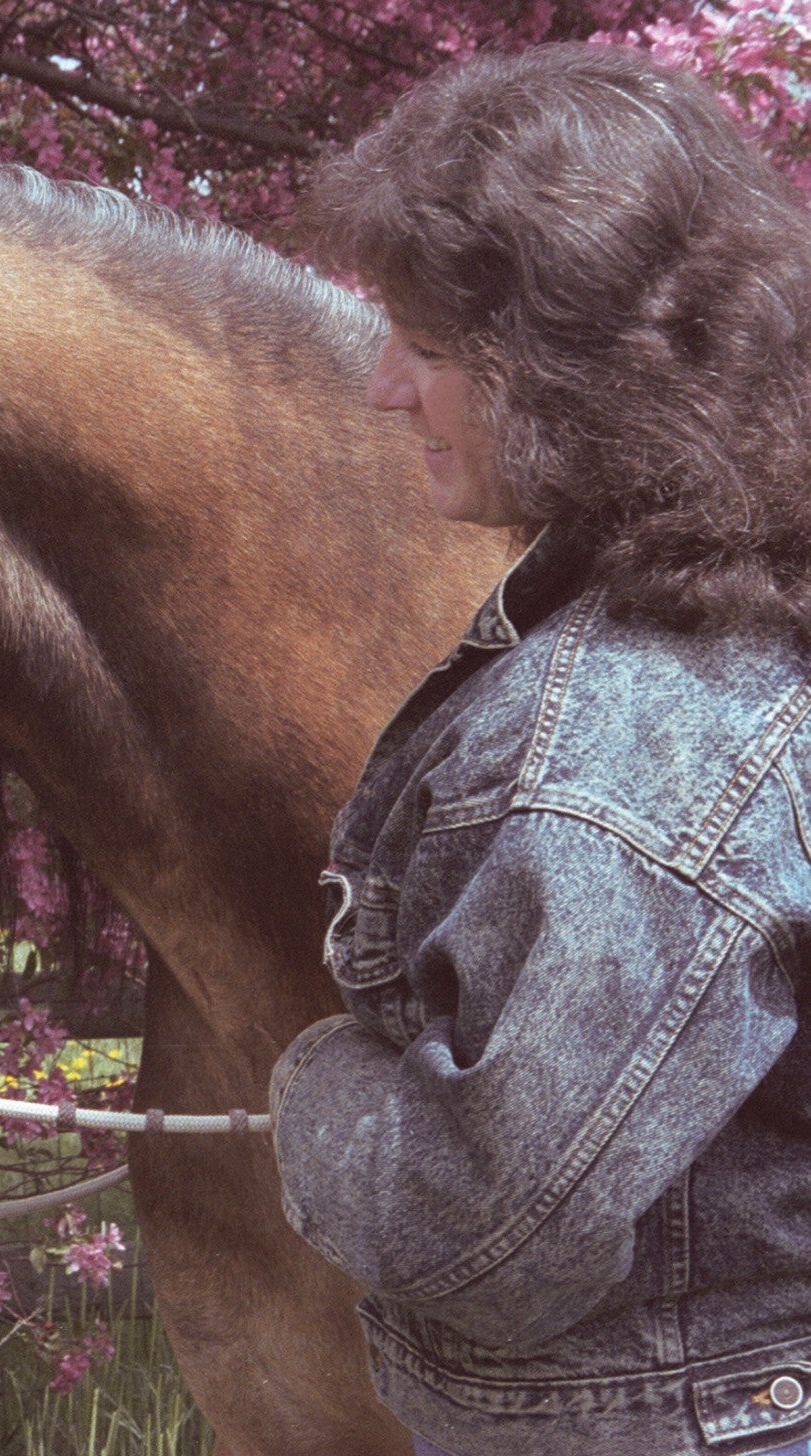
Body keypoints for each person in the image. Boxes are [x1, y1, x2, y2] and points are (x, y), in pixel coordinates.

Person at [269, 41, 811, 1456]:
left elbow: (485, 1234)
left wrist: (310, 1083)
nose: (387, 389)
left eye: (429, 349)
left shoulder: (636, 740)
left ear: (580, 378)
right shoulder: (743, 602)